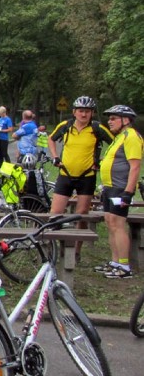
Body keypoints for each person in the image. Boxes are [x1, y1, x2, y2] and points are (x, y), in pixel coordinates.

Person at [47, 97, 114, 232]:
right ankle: (54, 248)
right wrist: (55, 156)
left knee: (82, 215)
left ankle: (76, 251)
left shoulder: (97, 128)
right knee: (54, 214)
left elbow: (115, 144)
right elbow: (51, 138)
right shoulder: (65, 126)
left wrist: (102, 161)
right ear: (74, 112)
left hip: (87, 176)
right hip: (65, 174)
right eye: (81, 111)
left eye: (87, 111)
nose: (84, 114)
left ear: (92, 113)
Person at [97, 105, 142, 279]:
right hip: (110, 187)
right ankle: (115, 262)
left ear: (126, 120)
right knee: (110, 223)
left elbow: (135, 166)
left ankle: (124, 265)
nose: (110, 121)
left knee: (118, 224)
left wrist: (128, 192)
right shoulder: (119, 137)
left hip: (120, 187)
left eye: (113, 118)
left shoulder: (131, 137)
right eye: (109, 118)